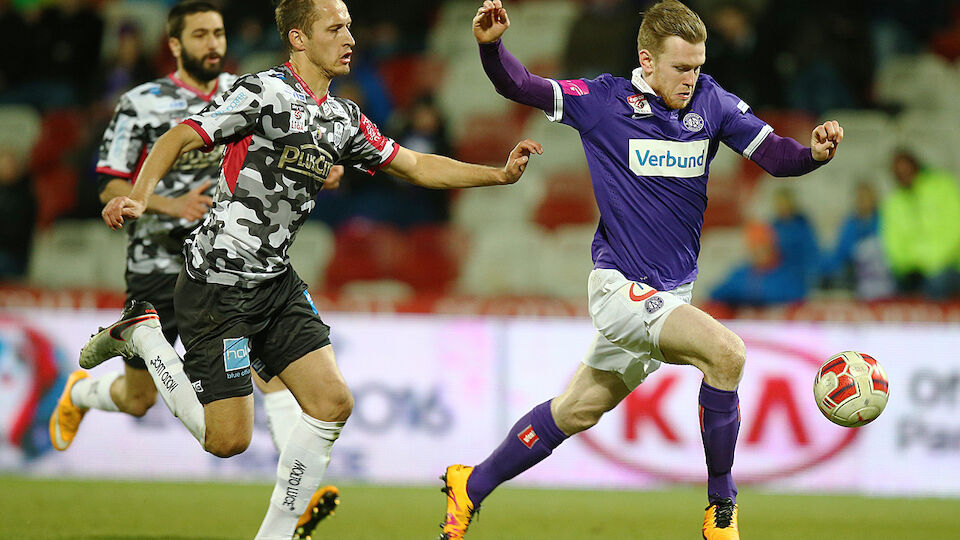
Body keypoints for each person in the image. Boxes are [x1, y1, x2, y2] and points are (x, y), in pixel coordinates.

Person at [92, 0, 541, 538]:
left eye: (350, 26)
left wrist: (498, 175)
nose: (349, 36)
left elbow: (416, 164)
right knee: (227, 441)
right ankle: (147, 339)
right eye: (335, 27)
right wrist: (140, 196)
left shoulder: (342, 117)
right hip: (219, 283)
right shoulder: (262, 92)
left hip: (274, 282)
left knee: (332, 402)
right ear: (300, 40)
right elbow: (180, 136)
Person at [438, 2, 843, 539]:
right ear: (647, 61)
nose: (691, 78)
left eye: (697, 66)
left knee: (577, 410)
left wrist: (812, 153)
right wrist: (491, 47)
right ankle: (722, 508)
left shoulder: (712, 102)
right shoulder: (603, 101)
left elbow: (776, 156)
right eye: (681, 68)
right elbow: (521, 85)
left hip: (671, 295)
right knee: (727, 355)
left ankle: (471, 485)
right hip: (620, 291)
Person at [47, 2, 341, 537]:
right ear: (176, 45)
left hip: (230, 267)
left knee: (268, 377)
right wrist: (166, 204)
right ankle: (83, 393)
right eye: (201, 35)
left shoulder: (250, 90)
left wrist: (317, 160)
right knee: (138, 400)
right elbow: (110, 185)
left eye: (220, 33)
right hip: (159, 265)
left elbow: (287, 149)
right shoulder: (142, 103)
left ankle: (294, 495)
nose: (214, 44)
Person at [879, 149, 960, 299]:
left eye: (906, 170)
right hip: (913, 271)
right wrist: (908, 267)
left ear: (916, 167)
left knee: (936, 284)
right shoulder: (894, 202)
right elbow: (892, 243)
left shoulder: (942, 187)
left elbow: (954, 231)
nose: (903, 175)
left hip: (948, 265)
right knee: (888, 286)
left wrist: (927, 264)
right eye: (898, 173)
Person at [710, 222, 808, 306]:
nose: (758, 252)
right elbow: (715, 294)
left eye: (763, 247)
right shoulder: (740, 273)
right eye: (754, 248)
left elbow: (797, 297)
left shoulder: (787, 274)